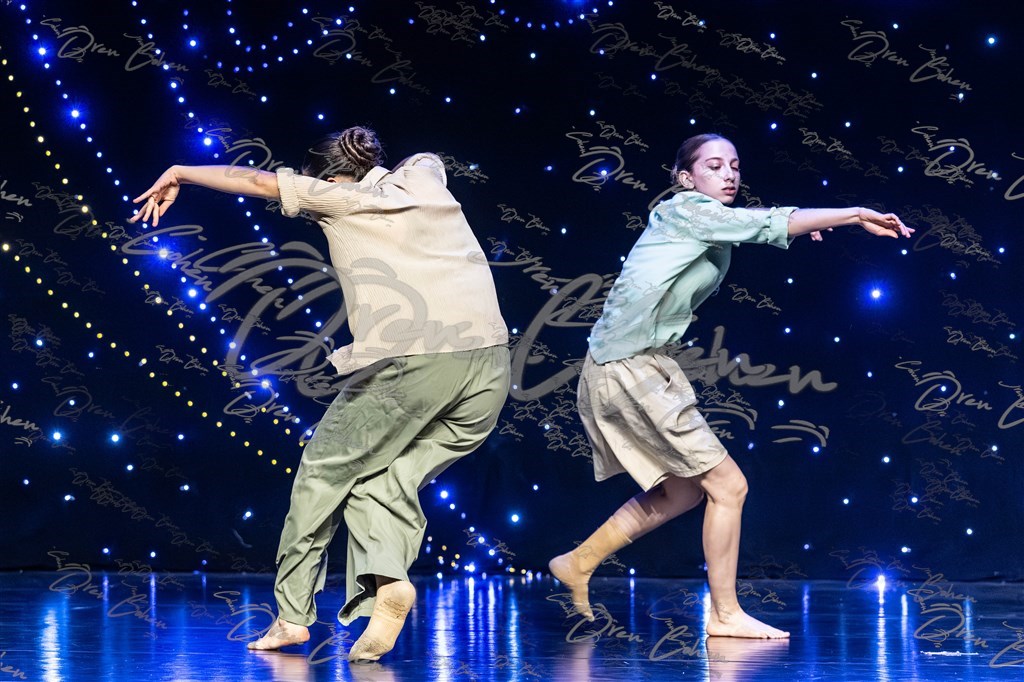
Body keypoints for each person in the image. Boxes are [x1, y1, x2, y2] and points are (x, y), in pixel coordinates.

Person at [130, 126, 510, 661]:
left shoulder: (338, 197)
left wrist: (180, 172)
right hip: (490, 366)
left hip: (413, 361)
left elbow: (257, 182)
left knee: (322, 474)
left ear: (330, 179)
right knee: (385, 480)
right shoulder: (423, 174)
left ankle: (291, 616)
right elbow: (427, 156)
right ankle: (389, 583)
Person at [548, 133, 912, 639]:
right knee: (729, 486)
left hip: (635, 363)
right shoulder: (685, 210)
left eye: (735, 166)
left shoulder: (705, 221)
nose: (729, 174)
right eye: (715, 166)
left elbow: (756, 223)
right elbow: (764, 223)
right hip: (626, 366)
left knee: (683, 492)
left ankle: (578, 562)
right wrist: (852, 214)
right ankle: (723, 614)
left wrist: (806, 223)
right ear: (685, 178)